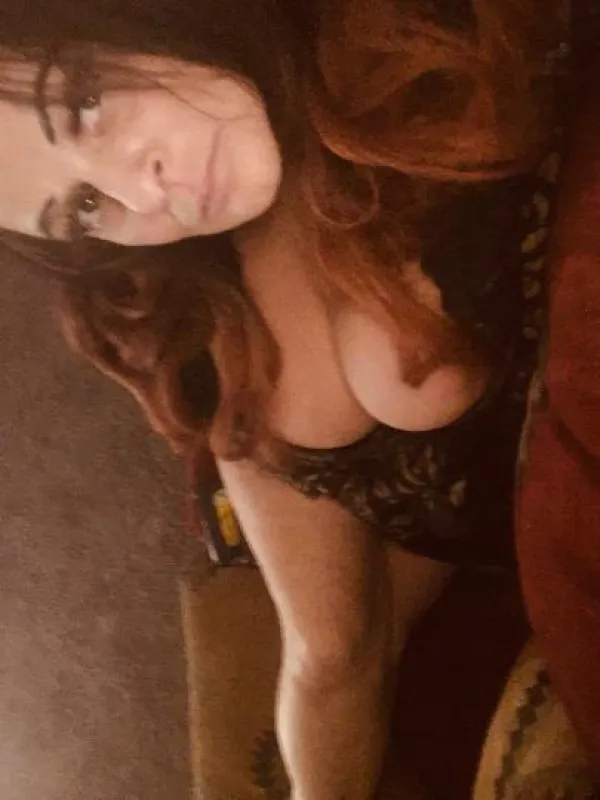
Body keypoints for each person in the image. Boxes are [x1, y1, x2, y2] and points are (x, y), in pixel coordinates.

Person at [0, 0, 568, 797]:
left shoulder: (429, 39)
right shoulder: (198, 309)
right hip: (454, 549)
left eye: (85, 103)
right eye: (85, 209)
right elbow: (331, 654)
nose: (140, 192)